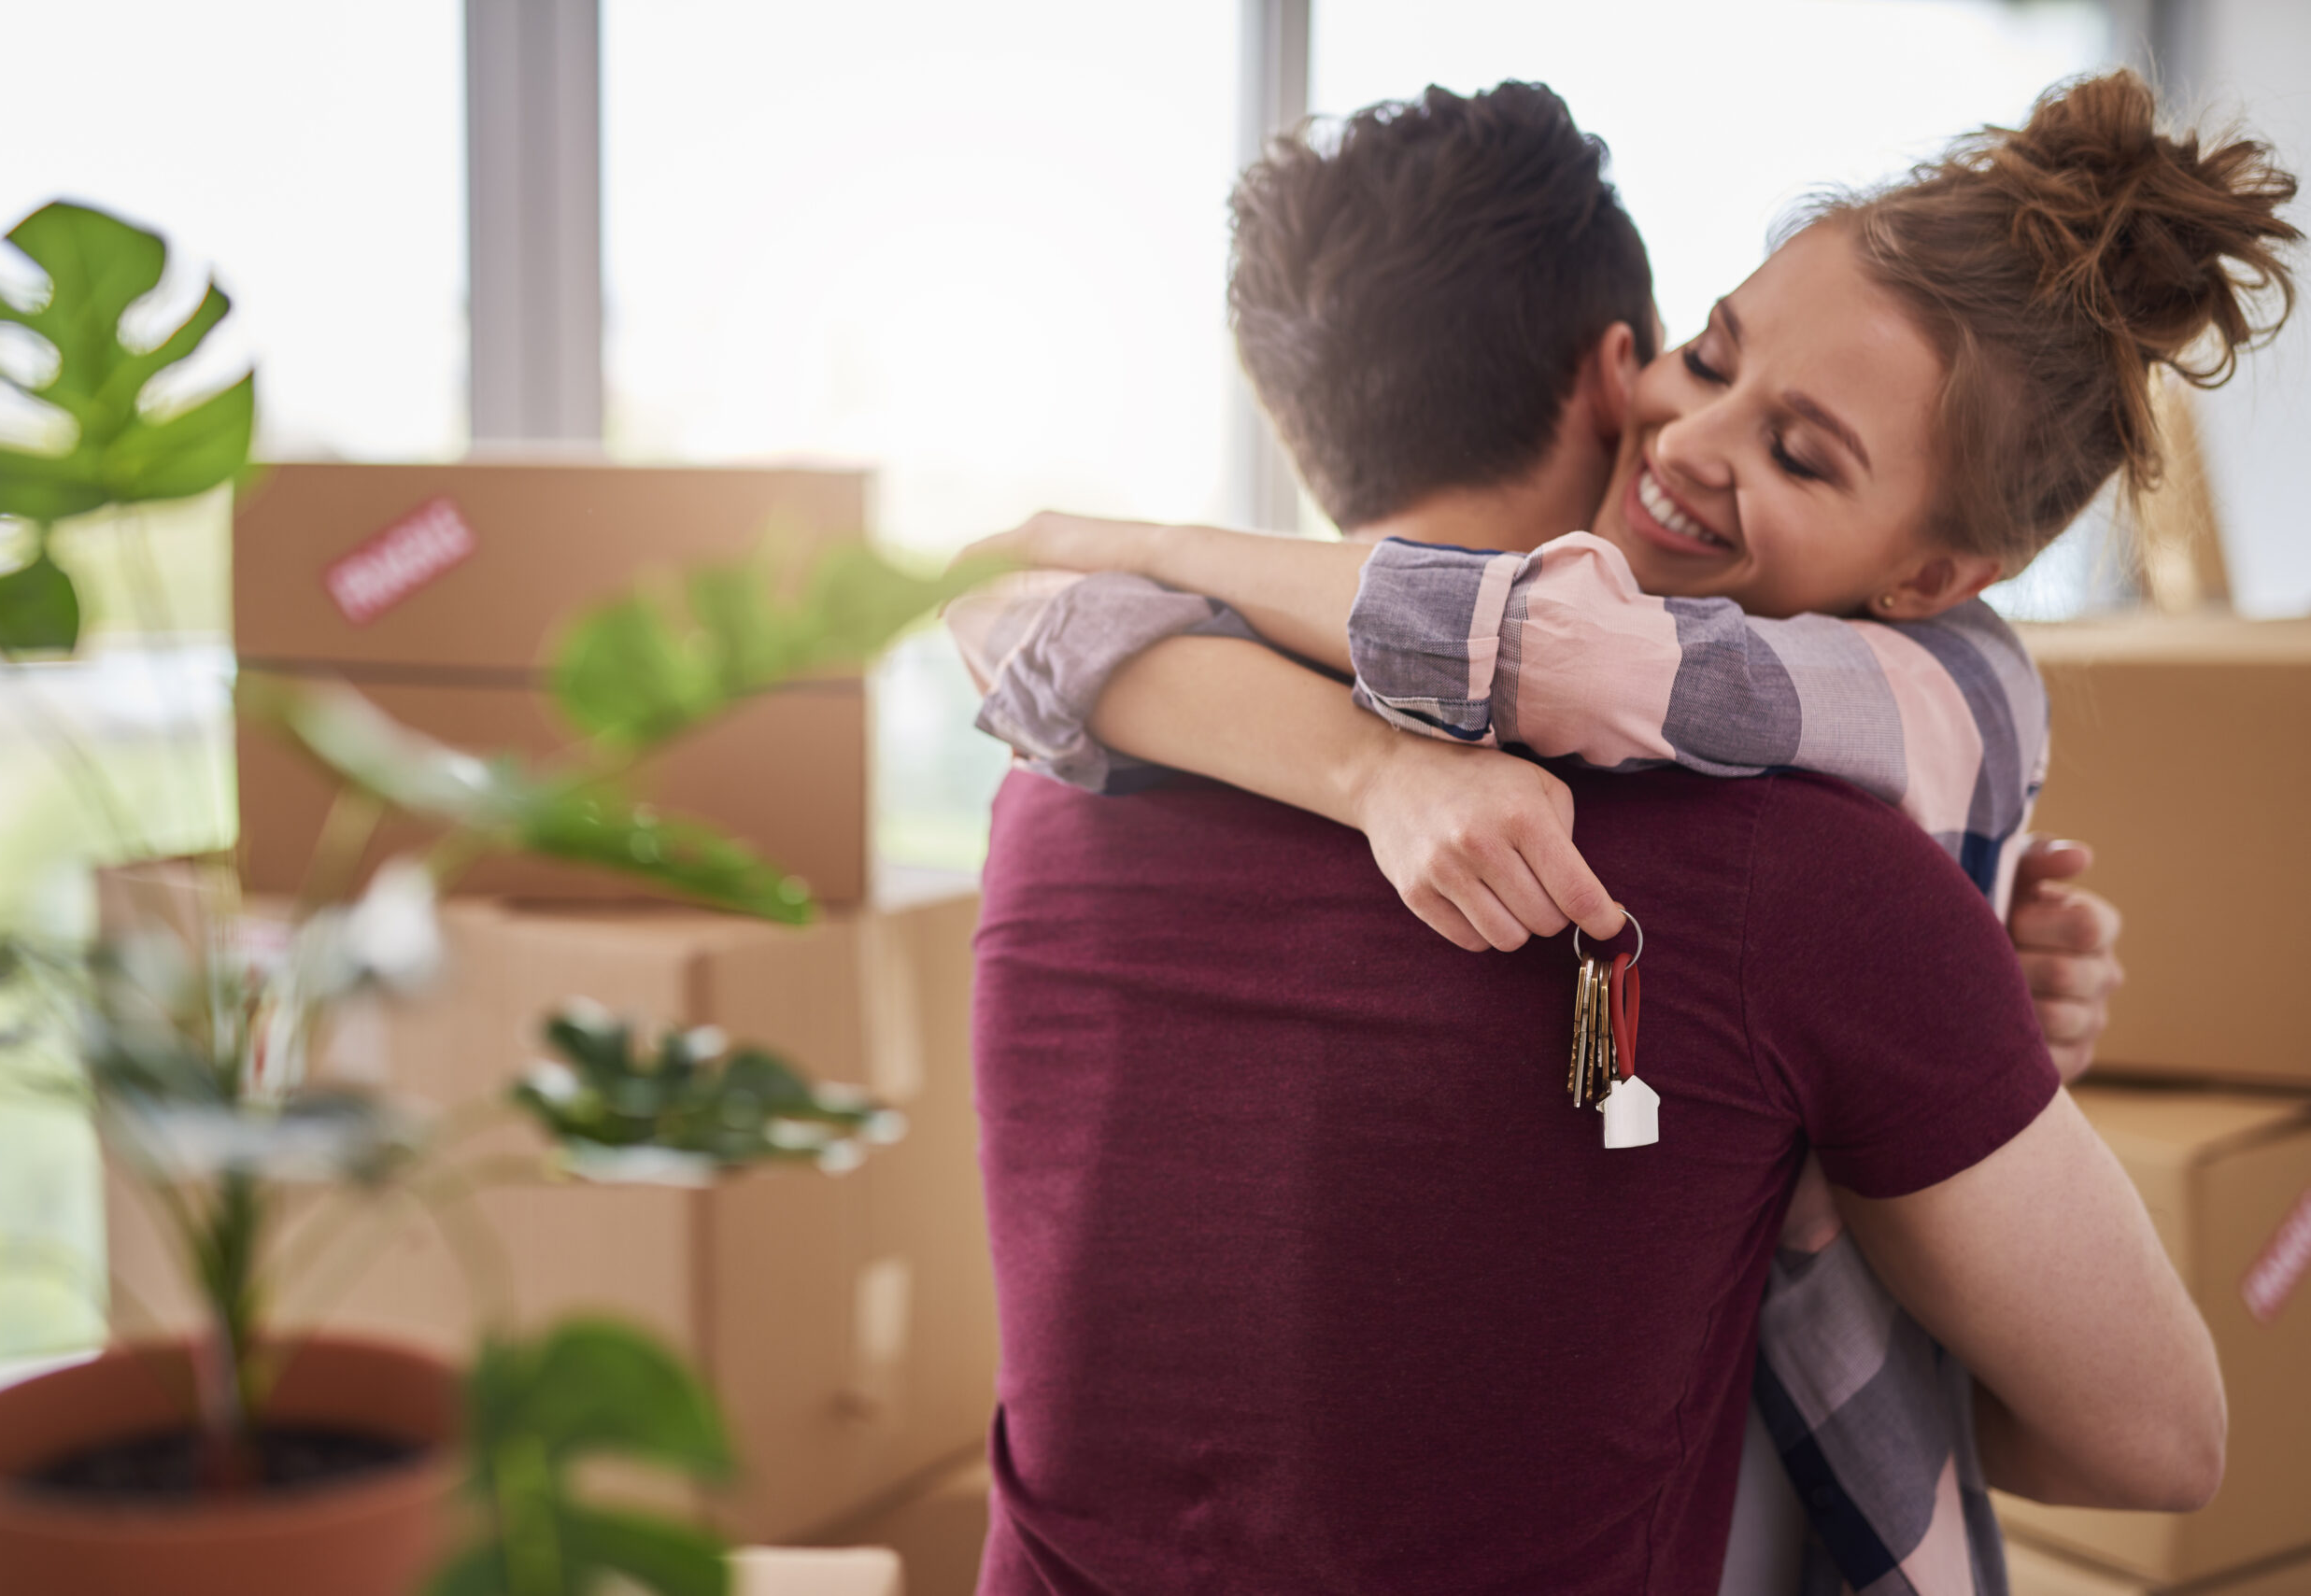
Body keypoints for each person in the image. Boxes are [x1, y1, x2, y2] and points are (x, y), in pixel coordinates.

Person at [963, 73, 2285, 1592]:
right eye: (1707, 356)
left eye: (1800, 450)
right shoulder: (1812, 885)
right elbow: (2157, 1443)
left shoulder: (1056, 774)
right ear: (1618, 365)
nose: (1698, 433)